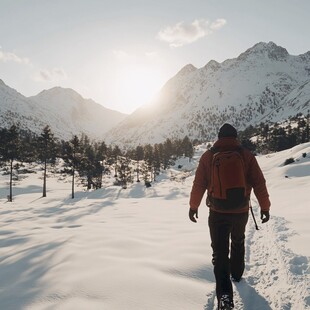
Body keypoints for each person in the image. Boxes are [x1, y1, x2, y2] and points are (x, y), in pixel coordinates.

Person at [188, 123, 270, 310]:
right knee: (238, 241)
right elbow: (259, 183)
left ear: (219, 137)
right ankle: (238, 274)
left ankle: (225, 297)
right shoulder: (246, 155)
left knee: (220, 254)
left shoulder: (208, 156)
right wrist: (265, 207)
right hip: (241, 212)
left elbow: (199, 183)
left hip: (217, 212)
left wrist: (193, 206)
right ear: (235, 137)